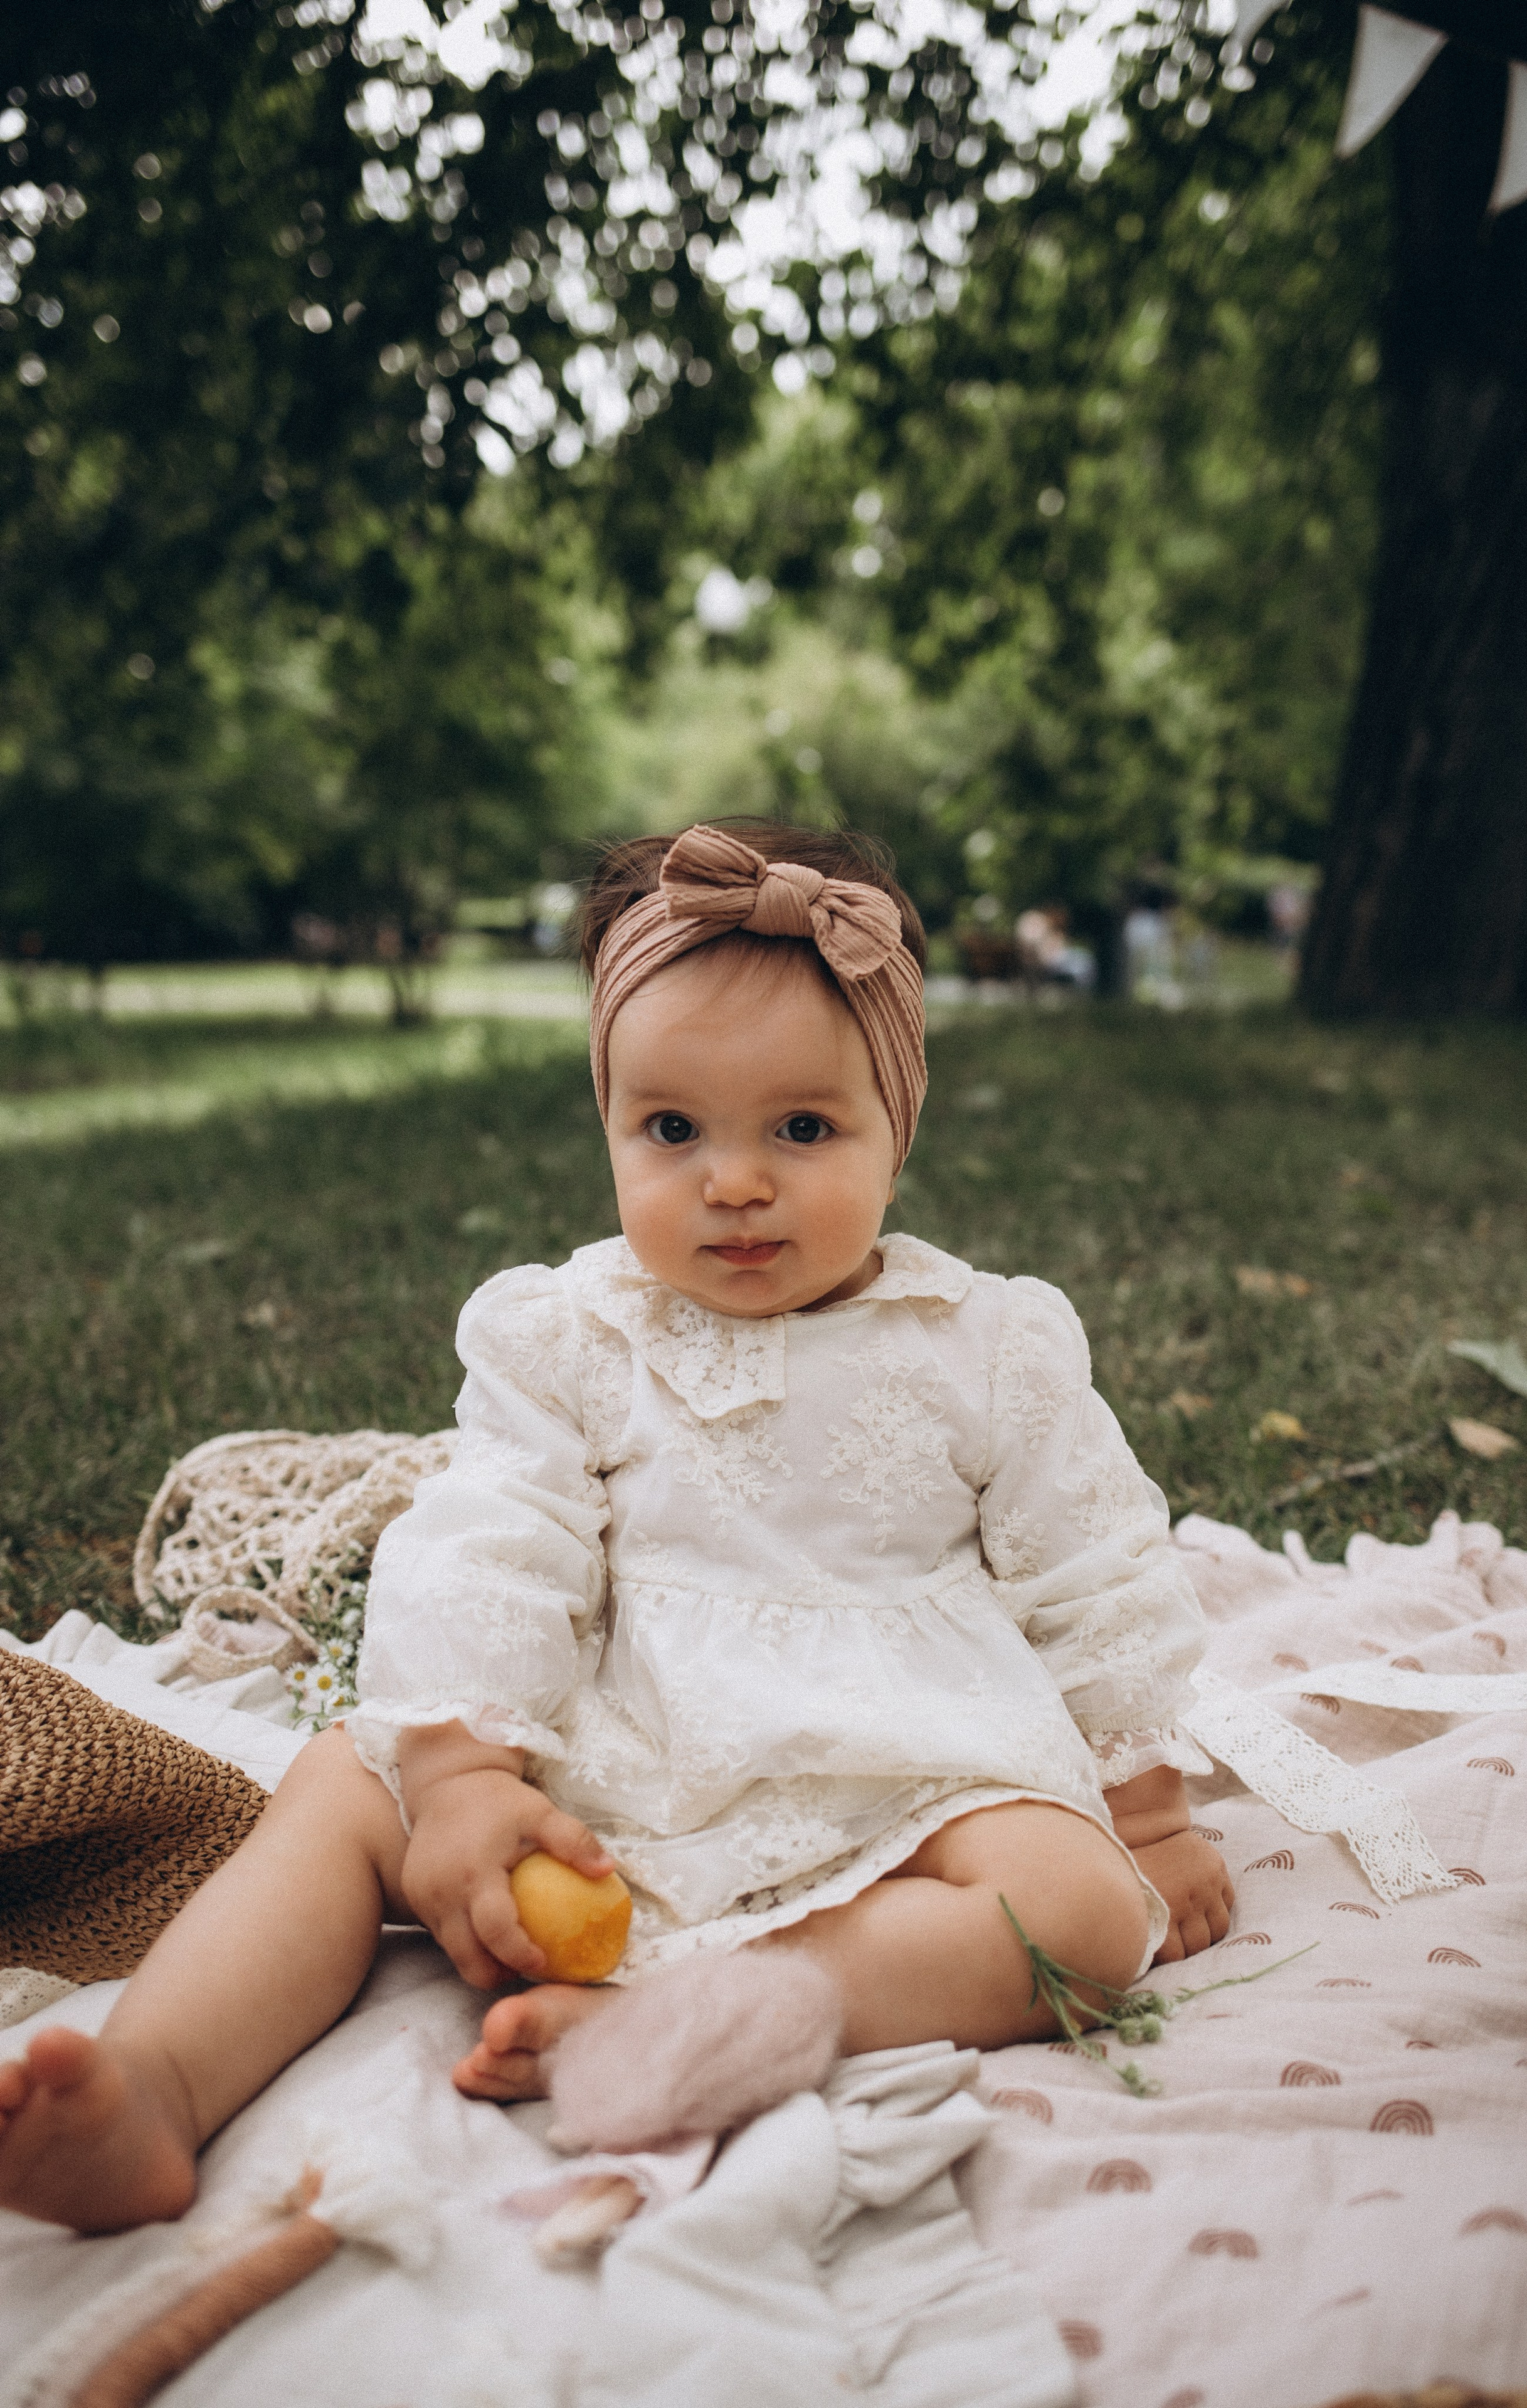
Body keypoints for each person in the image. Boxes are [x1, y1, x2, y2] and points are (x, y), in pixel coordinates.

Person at [0, 821, 1232, 2236]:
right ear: (609, 1125)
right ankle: (154, 2085)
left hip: (899, 1763)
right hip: (612, 1742)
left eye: (803, 1129)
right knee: (345, 1788)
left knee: (1082, 1917)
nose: (733, 1181)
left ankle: (699, 2014)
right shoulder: (568, 1336)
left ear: (897, 1131)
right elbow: (492, 1540)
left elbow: (1092, 1568)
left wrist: (1146, 1807)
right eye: (671, 1130)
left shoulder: (987, 1344)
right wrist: (463, 1778)